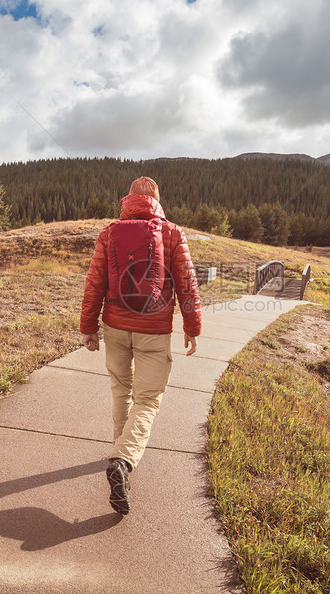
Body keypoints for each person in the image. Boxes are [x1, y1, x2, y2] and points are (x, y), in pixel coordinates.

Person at [79, 176, 202, 515]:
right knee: (147, 399)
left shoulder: (109, 233)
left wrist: (89, 326)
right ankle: (123, 459)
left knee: (121, 390)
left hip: (115, 326)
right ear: (157, 202)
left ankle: (120, 455)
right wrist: (192, 326)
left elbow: (95, 283)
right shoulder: (172, 233)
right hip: (154, 328)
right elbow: (187, 284)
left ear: (128, 201)